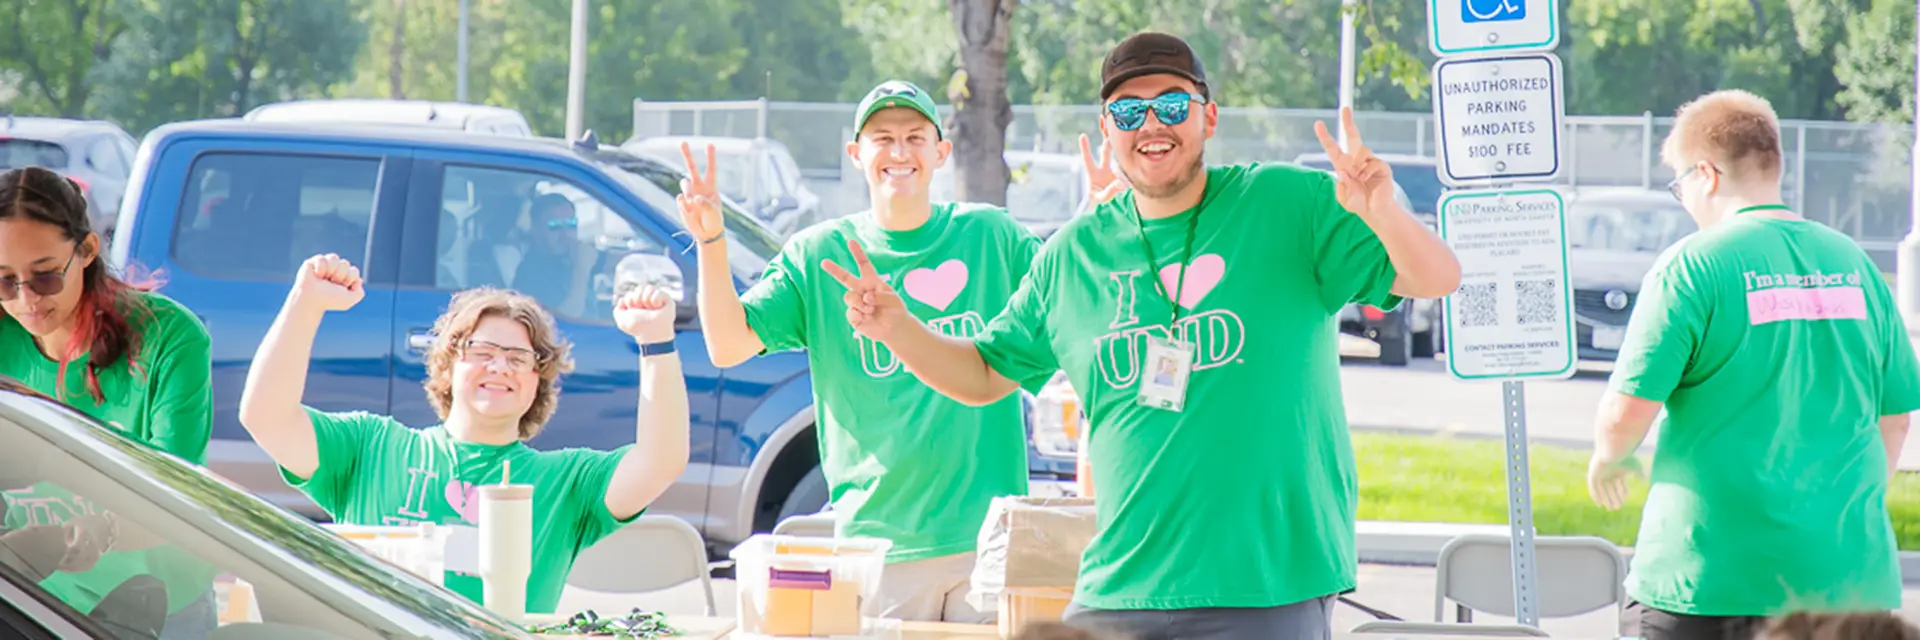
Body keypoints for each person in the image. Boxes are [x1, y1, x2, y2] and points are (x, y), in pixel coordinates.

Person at [821, 32, 1461, 640]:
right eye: (1128, 111)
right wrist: (897, 326)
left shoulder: (1290, 205)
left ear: (1208, 118)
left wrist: (1382, 210)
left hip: (1267, 582)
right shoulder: (1071, 256)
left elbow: (1437, 277)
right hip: (1118, 590)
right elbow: (986, 374)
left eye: (1172, 105)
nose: (1151, 125)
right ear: (1107, 131)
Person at [675, 80, 1043, 622]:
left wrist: (1113, 221)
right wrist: (710, 242)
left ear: (941, 152)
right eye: (883, 138)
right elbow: (728, 345)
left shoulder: (991, 235)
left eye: (916, 137)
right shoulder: (819, 254)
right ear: (856, 155)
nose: (900, 152)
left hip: (988, 540)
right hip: (880, 544)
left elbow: (1069, 303)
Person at [1585, 89, 1920, 640]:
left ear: (1707, 174)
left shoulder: (1692, 267)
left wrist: (1607, 457)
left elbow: (1626, 413)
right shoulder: (1855, 265)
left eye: (1681, 184)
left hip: (1708, 577)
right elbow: (1896, 419)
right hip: (1845, 582)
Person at [236, 253, 691, 615]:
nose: (499, 367)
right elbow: (265, 416)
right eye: (482, 351)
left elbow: (661, 459)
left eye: (518, 358)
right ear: (448, 365)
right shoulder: (369, 446)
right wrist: (305, 302)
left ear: (538, 383)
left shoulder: (567, 482)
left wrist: (656, 342)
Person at [0, 166, 219, 637]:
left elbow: (179, 497)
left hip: (162, 606)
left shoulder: (169, 338)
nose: (25, 302)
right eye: (3, 281)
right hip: (31, 600)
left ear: (87, 250)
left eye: (44, 277)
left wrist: (105, 532)